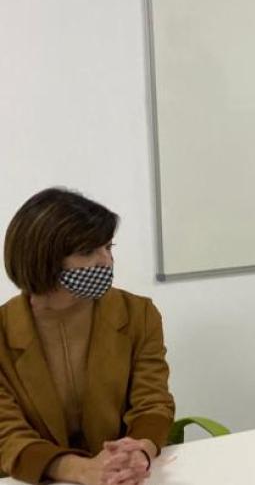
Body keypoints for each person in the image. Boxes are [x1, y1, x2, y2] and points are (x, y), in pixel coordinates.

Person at [0, 188, 174, 485]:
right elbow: (6, 431)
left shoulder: (138, 314)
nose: (106, 262)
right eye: (87, 251)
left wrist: (139, 450)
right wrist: (79, 470)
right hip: (38, 479)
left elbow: (152, 402)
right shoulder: (4, 332)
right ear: (44, 259)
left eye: (108, 247)